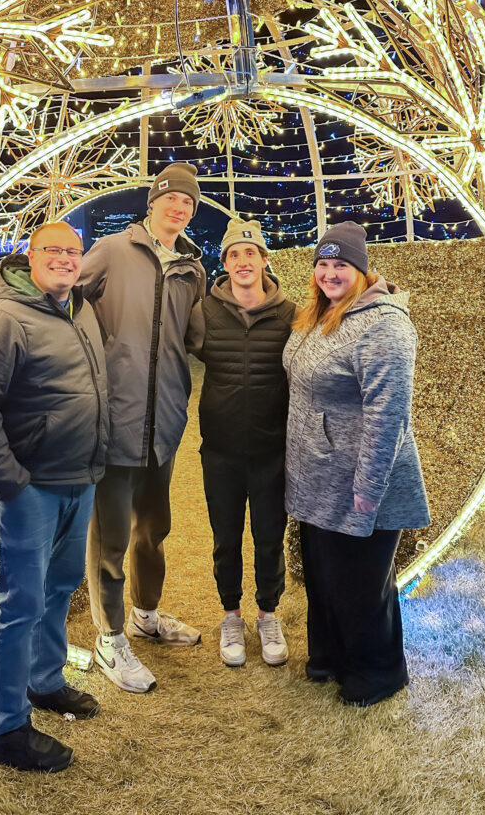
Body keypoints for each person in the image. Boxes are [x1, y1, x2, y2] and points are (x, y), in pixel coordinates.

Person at [0, 221, 109, 771]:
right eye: (54, 251)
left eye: (74, 251)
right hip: (30, 489)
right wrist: (11, 484)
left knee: (60, 587)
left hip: (78, 478)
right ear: (29, 256)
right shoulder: (4, 317)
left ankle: (46, 681)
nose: (65, 259)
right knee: (19, 606)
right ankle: (8, 731)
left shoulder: (80, 308)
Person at [283, 220, 430, 707]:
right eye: (323, 264)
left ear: (362, 270)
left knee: (361, 585)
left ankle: (377, 672)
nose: (330, 273)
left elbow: (388, 417)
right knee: (325, 577)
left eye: (340, 264)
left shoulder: (384, 326)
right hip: (318, 477)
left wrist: (367, 492)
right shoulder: (319, 314)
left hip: (359, 479)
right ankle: (329, 658)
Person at [80, 162, 206, 693]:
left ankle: (144, 614)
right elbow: (63, 296)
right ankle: (109, 637)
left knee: (153, 529)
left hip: (165, 424)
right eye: (170, 198)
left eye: (188, 203)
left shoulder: (192, 270)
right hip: (114, 419)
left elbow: (200, 338)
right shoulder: (111, 251)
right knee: (109, 537)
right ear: (152, 203)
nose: (178, 207)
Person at [189, 218, 298, 667]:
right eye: (234, 254)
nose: (242, 261)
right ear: (225, 261)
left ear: (264, 259)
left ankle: (267, 614)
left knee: (270, 535)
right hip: (221, 449)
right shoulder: (204, 312)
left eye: (250, 253)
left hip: (273, 449)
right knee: (226, 536)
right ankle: (231, 616)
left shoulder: (291, 313)